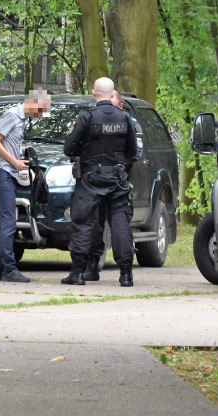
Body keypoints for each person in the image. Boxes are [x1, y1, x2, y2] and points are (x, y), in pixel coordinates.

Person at [62, 77, 138, 286]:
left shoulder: (86, 117)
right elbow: (133, 151)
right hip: (117, 178)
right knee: (120, 222)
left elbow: (68, 148)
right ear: (112, 93)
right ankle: (125, 275)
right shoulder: (125, 118)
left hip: (90, 178)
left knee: (83, 222)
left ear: (94, 93)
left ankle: (78, 273)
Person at [0, 90, 51, 283]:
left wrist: (20, 158)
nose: (40, 115)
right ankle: (9, 269)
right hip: (2, 171)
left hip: (8, 172)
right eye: (40, 110)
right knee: (8, 221)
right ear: (32, 102)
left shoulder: (22, 120)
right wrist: (14, 162)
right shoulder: (12, 115)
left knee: (1, 222)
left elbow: (8, 143)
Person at [84, 89, 143, 281]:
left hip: (117, 180)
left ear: (120, 105)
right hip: (109, 178)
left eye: (112, 101)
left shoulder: (130, 123)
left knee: (119, 226)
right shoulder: (96, 119)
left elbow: (136, 152)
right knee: (96, 224)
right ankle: (95, 265)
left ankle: (125, 270)